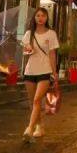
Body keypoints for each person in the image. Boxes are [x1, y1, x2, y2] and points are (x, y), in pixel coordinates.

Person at [21, 8, 59, 142]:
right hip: (30, 70)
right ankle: (39, 125)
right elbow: (25, 52)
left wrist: (54, 72)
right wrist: (28, 49)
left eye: (43, 15)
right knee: (32, 101)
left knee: (37, 100)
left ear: (47, 18)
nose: (40, 18)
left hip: (45, 71)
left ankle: (29, 128)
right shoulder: (29, 34)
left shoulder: (51, 34)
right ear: (34, 18)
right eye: (38, 15)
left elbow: (52, 54)